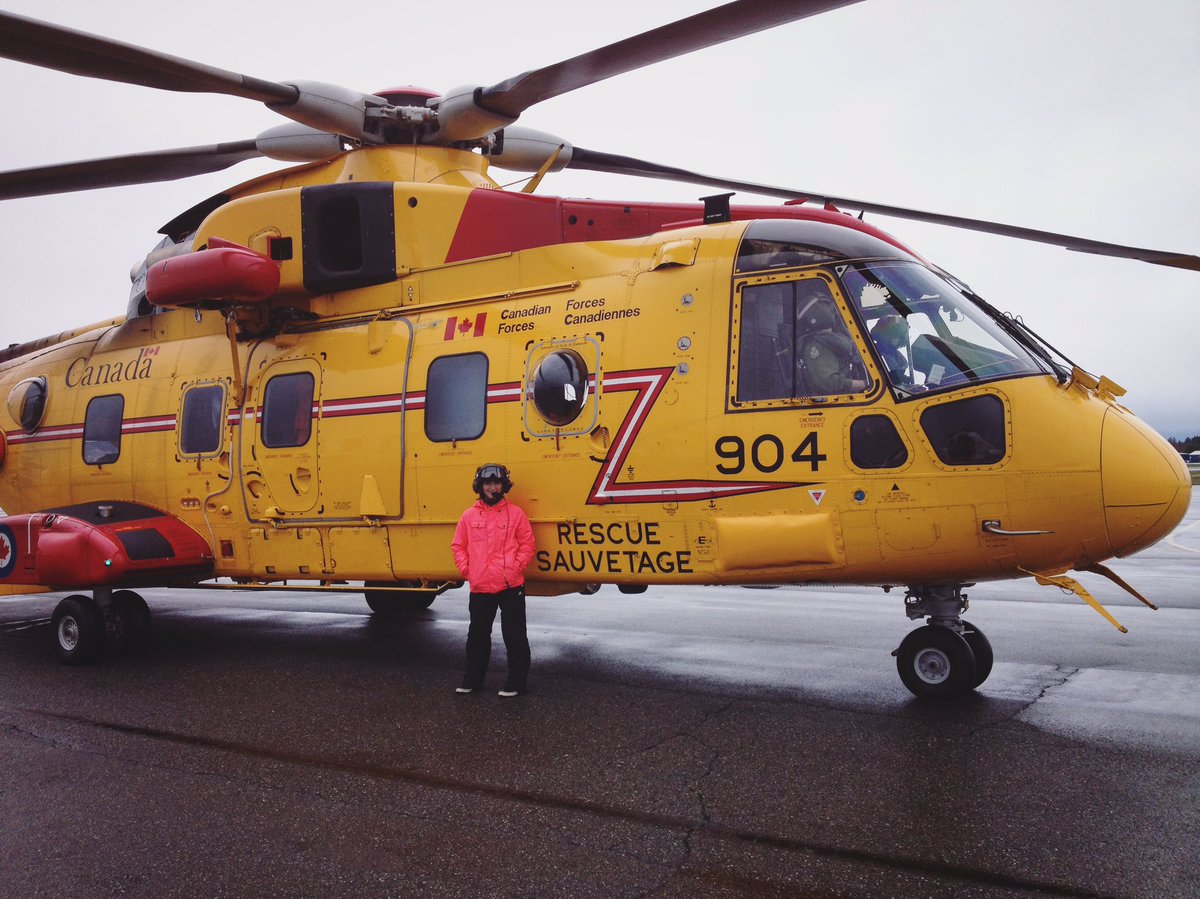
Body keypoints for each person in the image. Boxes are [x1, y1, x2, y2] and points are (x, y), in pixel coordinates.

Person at [451, 463, 537, 697]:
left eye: (496, 483)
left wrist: (515, 568)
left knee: (515, 635)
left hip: (511, 586)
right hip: (480, 586)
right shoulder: (469, 516)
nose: (492, 487)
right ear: (480, 486)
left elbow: (528, 544)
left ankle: (517, 683)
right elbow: (458, 546)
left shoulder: (516, 514)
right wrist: (468, 570)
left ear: (504, 485)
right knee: (477, 636)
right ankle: (472, 680)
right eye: (488, 483)